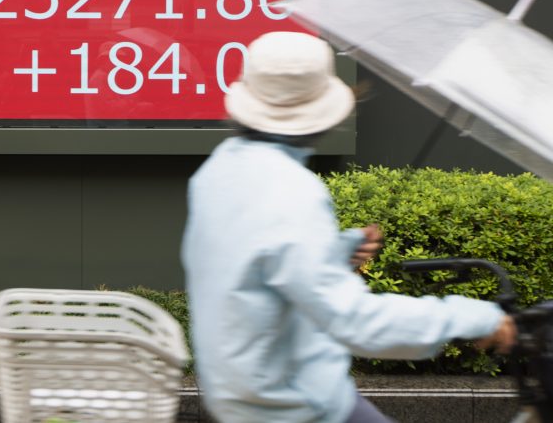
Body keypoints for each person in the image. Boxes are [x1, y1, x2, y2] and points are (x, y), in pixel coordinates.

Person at [181, 31, 516, 423]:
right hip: (300, 404)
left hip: (239, 396)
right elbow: (355, 321)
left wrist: (337, 250)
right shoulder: (292, 191)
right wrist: (474, 317)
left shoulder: (219, 169)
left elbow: (259, 261)